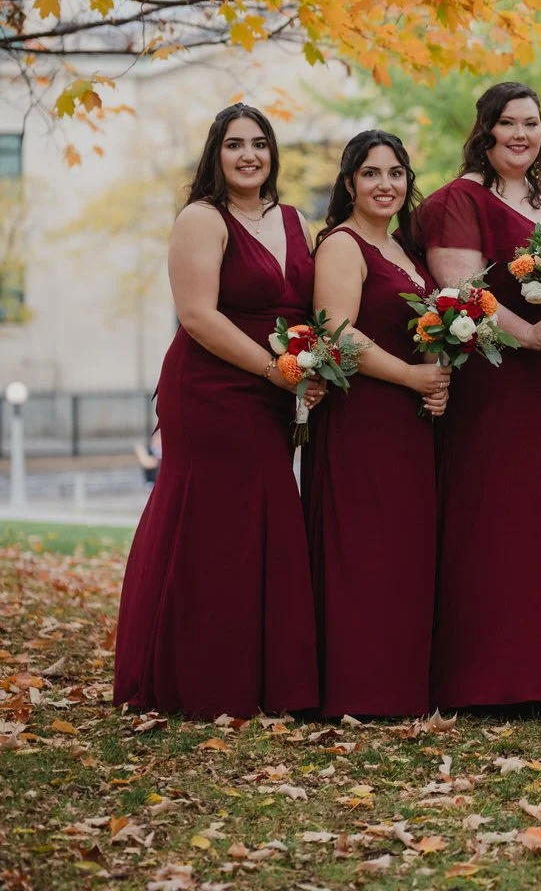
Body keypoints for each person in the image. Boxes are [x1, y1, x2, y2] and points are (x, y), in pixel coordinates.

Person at [113, 103, 324, 719]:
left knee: (265, 519)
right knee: (212, 527)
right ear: (216, 154)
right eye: (235, 145)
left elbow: (309, 309)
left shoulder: (294, 219)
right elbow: (199, 316)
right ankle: (196, 679)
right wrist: (275, 370)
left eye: (259, 143)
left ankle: (265, 681)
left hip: (276, 388)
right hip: (211, 388)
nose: (249, 155)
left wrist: (308, 370)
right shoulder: (202, 219)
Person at [418, 82, 541, 711]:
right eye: (509, 124)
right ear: (486, 131)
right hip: (496, 386)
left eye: (532, 123)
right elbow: (463, 293)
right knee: (496, 519)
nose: (522, 134)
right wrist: (529, 334)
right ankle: (489, 679)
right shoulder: (459, 201)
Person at [303, 130, 449, 718]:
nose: (385, 185)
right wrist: (411, 378)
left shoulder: (404, 251)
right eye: (371, 174)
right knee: (362, 549)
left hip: (408, 423)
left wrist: (439, 378)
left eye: (395, 174)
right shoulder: (343, 245)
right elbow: (338, 329)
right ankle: (357, 688)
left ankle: (399, 684)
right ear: (348, 184)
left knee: (402, 551)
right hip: (361, 418)